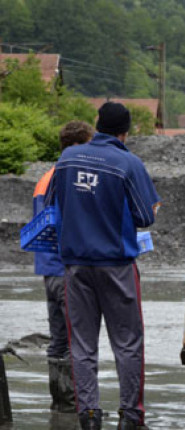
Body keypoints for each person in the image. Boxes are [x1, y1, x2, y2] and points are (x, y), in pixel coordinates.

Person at [50, 102, 161, 429]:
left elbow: (53, 204)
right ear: (125, 132)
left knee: (82, 344)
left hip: (75, 266)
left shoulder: (67, 159)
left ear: (98, 125)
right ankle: (130, 416)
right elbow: (145, 216)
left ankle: (89, 415)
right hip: (116, 265)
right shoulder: (128, 162)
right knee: (128, 343)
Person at [32, 120, 94, 414]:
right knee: (75, 340)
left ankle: (61, 404)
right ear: (76, 145)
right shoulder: (68, 177)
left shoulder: (45, 177)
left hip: (48, 269)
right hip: (67, 268)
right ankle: (75, 404)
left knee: (59, 340)